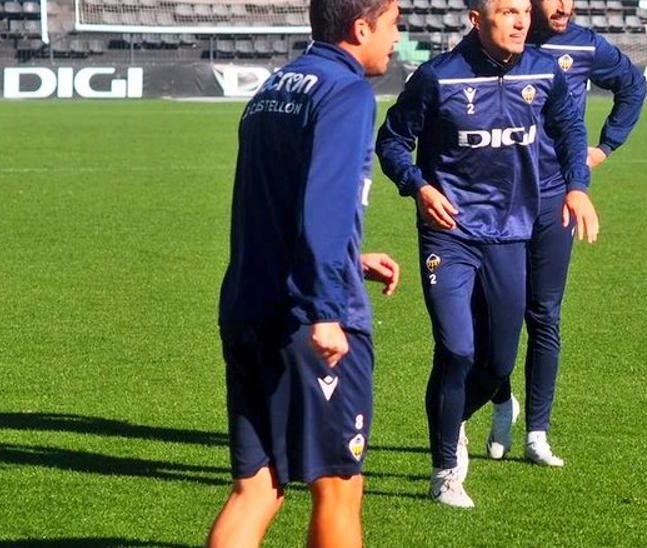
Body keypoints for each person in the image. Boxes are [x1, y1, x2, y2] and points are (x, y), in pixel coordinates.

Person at [375, 0, 593, 509]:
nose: (520, 21)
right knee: (456, 350)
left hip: (511, 235)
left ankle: (460, 418)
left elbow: (570, 131)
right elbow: (390, 141)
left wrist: (577, 186)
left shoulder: (544, 71)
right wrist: (418, 186)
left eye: (523, 11)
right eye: (506, 11)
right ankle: (445, 470)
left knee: (496, 364)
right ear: (477, 20)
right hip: (448, 236)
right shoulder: (438, 78)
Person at [208, 0, 401, 545]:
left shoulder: (273, 89)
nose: (396, 37)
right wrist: (324, 308)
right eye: (392, 24)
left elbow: (270, 205)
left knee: (258, 487)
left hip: (248, 303)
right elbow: (324, 203)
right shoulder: (347, 92)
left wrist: (350, 258)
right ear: (361, 27)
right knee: (340, 487)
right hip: (306, 320)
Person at [484, 0, 647, 468]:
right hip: (498, 199)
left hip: (556, 198)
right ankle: (500, 401)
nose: (564, 5)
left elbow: (632, 87)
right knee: (496, 316)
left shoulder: (585, 44)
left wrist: (605, 147)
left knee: (544, 314)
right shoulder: (501, 38)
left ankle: (537, 432)